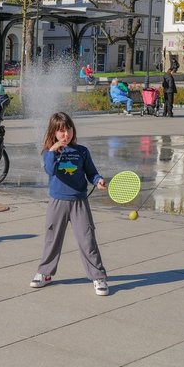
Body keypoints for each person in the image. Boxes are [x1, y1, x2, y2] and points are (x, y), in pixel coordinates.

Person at [30, 112, 109, 296]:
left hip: (79, 202)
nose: (66, 135)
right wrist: (53, 150)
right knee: (52, 238)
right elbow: (50, 170)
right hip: (57, 201)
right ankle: (45, 273)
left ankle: (98, 277)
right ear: (54, 133)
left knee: (87, 239)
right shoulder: (48, 153)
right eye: (61, 131)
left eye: (69, 130)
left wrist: (98, 180)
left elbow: (91, 172)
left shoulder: (82, 151)